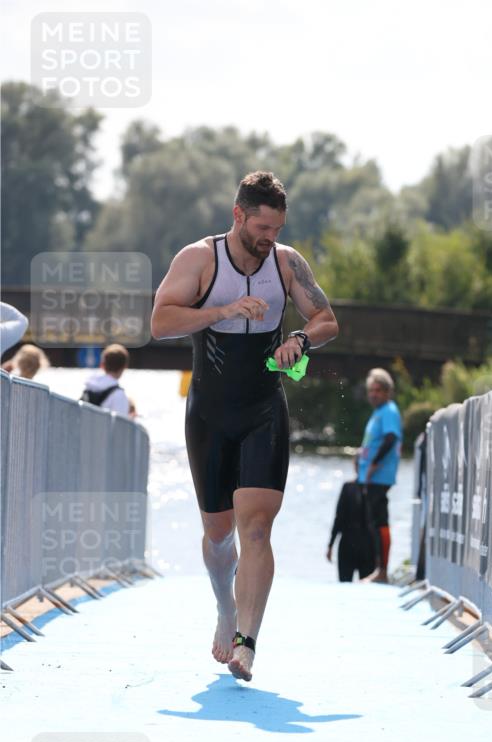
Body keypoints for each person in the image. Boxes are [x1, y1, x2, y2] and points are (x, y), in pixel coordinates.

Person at [151, 171, 338, 682]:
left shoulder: (287, 263)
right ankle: (226, 607)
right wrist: (223, 310)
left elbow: (327, 320)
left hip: (263, 409)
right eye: (261, 228)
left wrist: (300, 339)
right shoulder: (199, 259)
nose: (269, 238)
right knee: (219, 533)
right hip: (209, 415)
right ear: (238, 215)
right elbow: (160, 323)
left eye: (277, 228)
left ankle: (247, 643)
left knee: (256, 527)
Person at [357, 368, 403, 584]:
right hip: (370, 476)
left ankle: (383, 571)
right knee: (373, 522)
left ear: (387, 392)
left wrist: (374, 464)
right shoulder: (378, 412)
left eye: (378, 390)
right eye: (371, 390)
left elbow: (391, 438)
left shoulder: (389, 411)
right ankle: (378, 569)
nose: (374, 394)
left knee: (379, 521)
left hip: (379, 476)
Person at [326, 478, 376, 582]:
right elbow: (339, 518)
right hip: (356, 545)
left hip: (360, 545)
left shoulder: (349, 487)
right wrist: (330, 545)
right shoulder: (350, 487)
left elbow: (339, 518)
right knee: (351, 587)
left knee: (361, 586)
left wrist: (331, 545)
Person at [81, 344, 131, 416]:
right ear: (124, 367)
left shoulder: (89, 387)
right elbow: (121, 422)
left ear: (102, 365)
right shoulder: (119, 394)